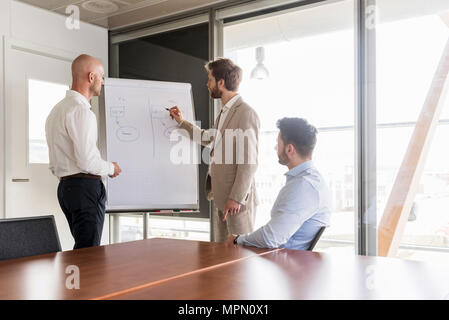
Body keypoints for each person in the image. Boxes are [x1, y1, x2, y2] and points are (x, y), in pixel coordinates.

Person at [169, 58, 260, 242]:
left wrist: (235, 198)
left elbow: (249, 162)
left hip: (237, 203)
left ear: (221, 82)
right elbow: (208, 138)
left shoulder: (245, 113)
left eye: (210, 79)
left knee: (238, 258)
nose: (207, 84)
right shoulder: (224, 113)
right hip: (221, 199)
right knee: (223, 256)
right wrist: (181, 122)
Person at [45, 54, 122, 249]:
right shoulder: (81, 112)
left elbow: (56, 162)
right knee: (89, 254)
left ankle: (74, 280)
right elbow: (87, 161)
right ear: (91, 77)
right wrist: (111, 168)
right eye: (101, 76)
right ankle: (79, 281)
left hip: (66, 189)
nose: (103, 82)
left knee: (83, 250)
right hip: (84, 188)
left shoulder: (56, 110)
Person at [225, 117, 331, 250]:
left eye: (278, 143)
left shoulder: (304, 186)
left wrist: (238, 239)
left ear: (289, 149)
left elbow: (270, 238)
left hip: (282, 263)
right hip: (283, 260)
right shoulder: (311, 181)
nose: (275, 148)